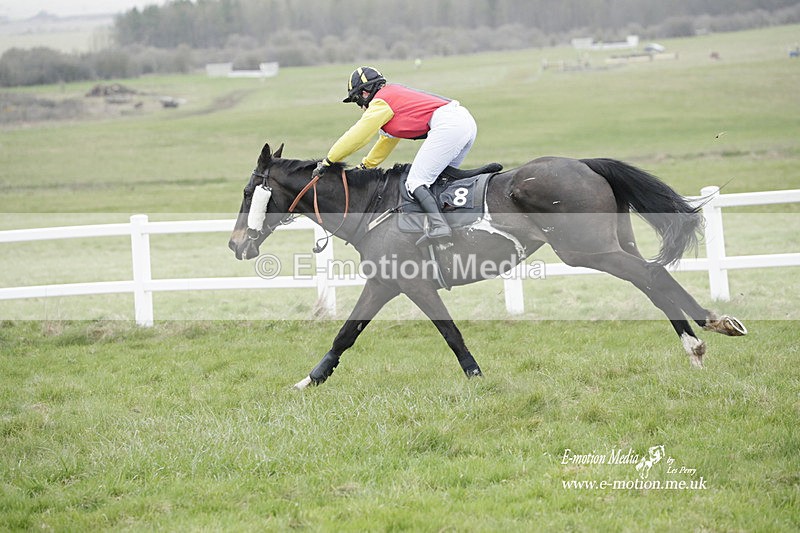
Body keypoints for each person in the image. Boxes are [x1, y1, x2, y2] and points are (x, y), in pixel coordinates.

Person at [312, 66, 478, 242]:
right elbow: (385, 143)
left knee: (415, 182)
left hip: (450, 125)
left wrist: (328, 161)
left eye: (357, 99)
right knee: (441, 181)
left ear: (365, 92)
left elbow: (358, 135)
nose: (360, 106)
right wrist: (366, 166)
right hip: (463, 121)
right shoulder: (390, 99)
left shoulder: (381, 102)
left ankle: (440, 227)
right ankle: (455, 223)